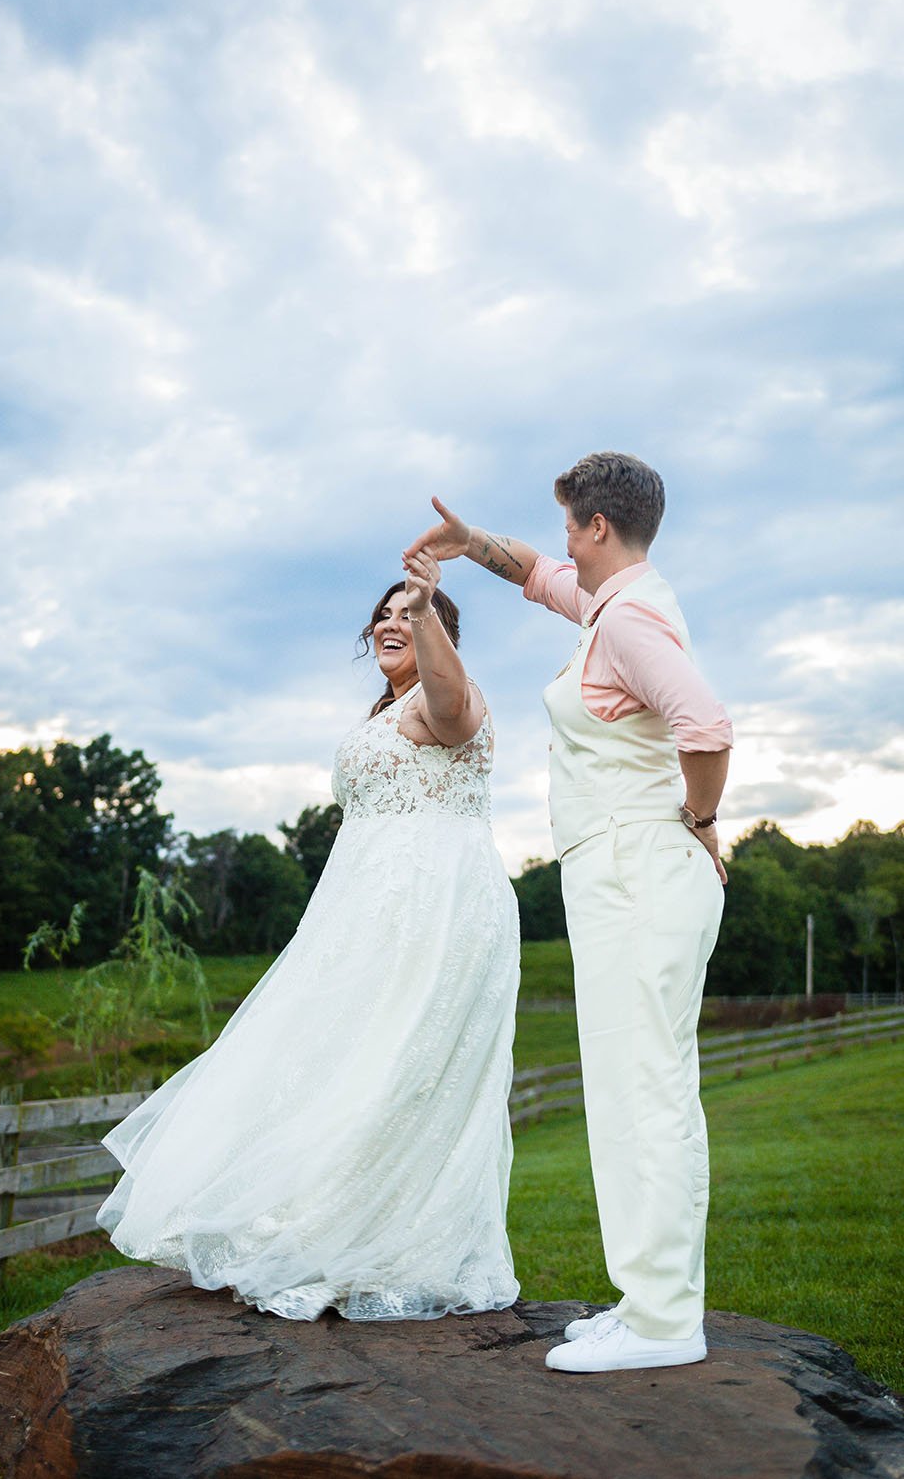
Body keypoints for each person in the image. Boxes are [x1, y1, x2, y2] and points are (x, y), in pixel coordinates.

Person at [95, 547, 521, 1322]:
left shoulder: (443, 698)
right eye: (386, 614)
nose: (393, 622)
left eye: (411, 613)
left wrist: (428, 612)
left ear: (439, 632)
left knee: (404, 1065)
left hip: (437, 906)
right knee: (337, 1056)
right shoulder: (389, 712)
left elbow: (456, 710)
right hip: (366, 906)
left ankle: (385, 1242)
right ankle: (310, 1223)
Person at [405, 451, 732, 1372]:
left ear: (597, 526)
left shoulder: (628, 622)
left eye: (568, 529)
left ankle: (665, 1322)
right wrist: (471, 545)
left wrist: (700, 824)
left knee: (645, 1094)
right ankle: (648, 1301)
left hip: (639, 870)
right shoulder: (614, 605)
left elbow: (707, 726)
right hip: (621, 875)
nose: (561, 548)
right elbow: (537, 577)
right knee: (634, 1090)